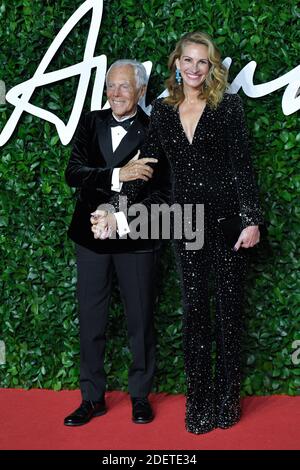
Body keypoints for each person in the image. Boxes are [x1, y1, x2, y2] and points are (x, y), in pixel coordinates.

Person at [95, 32, 263, 434]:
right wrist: (116, 211)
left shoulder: (228, 106)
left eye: (201, 62)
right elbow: (146, 166)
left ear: (211, 68)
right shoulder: (163, 110)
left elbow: (242, 166)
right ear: (176, 63)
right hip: (184, 221)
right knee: (195, 315)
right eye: (187, 60)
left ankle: (227, 400)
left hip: (226, 221)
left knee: (227, 313)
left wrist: (251, 219)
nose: (193, 68)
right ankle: (199, 401)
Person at [63, 59, 172, 426]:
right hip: (90, 238)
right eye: (111, 86)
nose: (116, 93)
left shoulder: (155, 130)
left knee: (140, 319)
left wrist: (119, 216)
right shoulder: (91, 122)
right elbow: (73, 173)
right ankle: (91, 397)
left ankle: (140, 396)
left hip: (136, 239)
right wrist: (116, 175)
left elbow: (159, 194)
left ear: (141, 91)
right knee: (91, 320)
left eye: (124, 86)